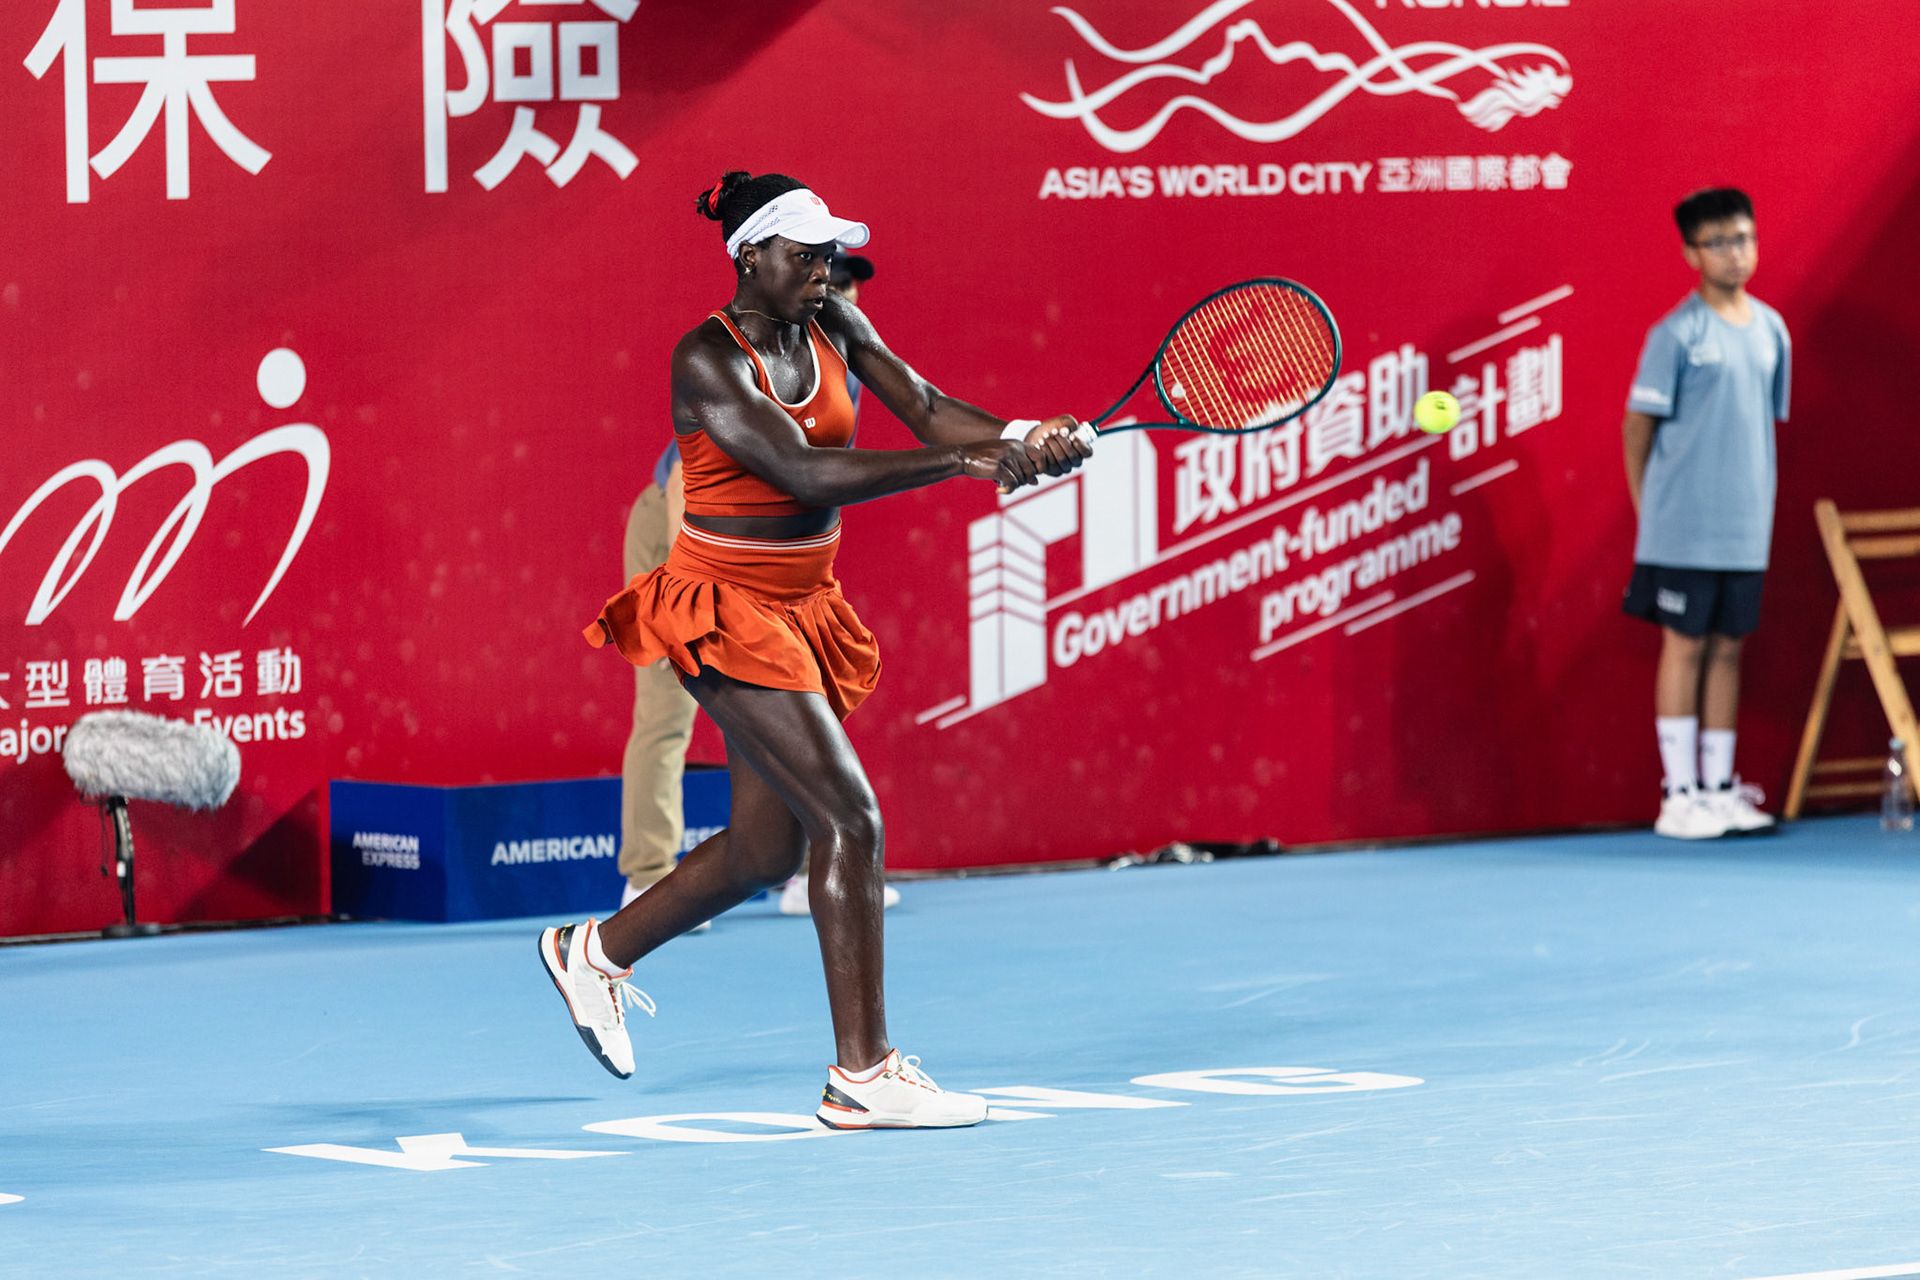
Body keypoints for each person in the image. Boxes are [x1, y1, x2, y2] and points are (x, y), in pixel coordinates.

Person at [541, 170, 1090, 1129]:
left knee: (765, 848)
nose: (823, 271)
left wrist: (1018, 434)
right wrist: (967, 463)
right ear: (750, 254)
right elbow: (802, 471)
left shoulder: (835, 320)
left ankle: (592, 954)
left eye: (830, 255)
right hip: (723, 606)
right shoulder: (706, 358)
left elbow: (925, 403)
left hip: (803, 601)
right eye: (805, 255)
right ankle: (863, 1076)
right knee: (852, 819)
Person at [1620, 187, 1790, 840]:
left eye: (1743, 238)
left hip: (1745, 528)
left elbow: (1757, 424)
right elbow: (1637, 429)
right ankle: (1679, 795)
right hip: (1681, 528)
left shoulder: (1772, 330)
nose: (1735, 253)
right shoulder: (1675, 334)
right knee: (1685, 647)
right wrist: (1651, 512)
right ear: (1692, 253)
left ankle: (1719, 791)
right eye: (1718, 243)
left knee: (1727, 650)